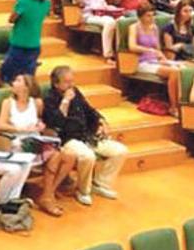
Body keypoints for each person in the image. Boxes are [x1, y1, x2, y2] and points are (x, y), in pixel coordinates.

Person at [43, 65, 129, 204]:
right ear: (56, 83)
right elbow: (56, 122)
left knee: (120, 151)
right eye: (67, 82)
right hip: (68, 139)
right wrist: (65, 101)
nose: (71, 85)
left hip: (87, 135)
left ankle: (100, 184)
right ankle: (83, 191)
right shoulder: (49, 98)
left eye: (72, 81)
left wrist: (101, 122)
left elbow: (90, 110)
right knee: (87, 156)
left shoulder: (75, 92)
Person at [0, 74, 77, 217]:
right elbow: (1, 125)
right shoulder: (8, 103)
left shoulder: (37, 103)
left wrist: (40, 125)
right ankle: (47, 197)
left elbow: (40, 121)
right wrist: (22, 129)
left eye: (18, 80)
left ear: (27, 87)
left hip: (36, 140)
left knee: (69, 158)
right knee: (56, 155)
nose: (13, 83)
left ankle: (48, 193)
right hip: (18, 142)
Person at [129, 3, 183, 114]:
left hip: (155, 61)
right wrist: (148, 50)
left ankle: (182, 104)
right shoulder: (134, 28)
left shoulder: (154, 28)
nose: (151, 18)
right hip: (142, 62)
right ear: (141, 16)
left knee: (182, 68)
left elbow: (158, 48)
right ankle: (174, 107)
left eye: (153, 15)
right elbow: (132, 46)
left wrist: (164, 59)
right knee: (174, 72)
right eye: (148, 16)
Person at [0, 0, 51, 83]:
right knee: (27, 79)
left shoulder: (23, 1)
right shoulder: (46, 3)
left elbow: (12, 19)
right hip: (35, 45)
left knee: (7, 77)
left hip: (19, 45)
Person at [66, 0, 119, 64]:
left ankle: (119, 53)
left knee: (122, 20)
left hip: (103, 11)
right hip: (88, 14)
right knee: (110, 22)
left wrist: (109, 8)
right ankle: (108, 56)